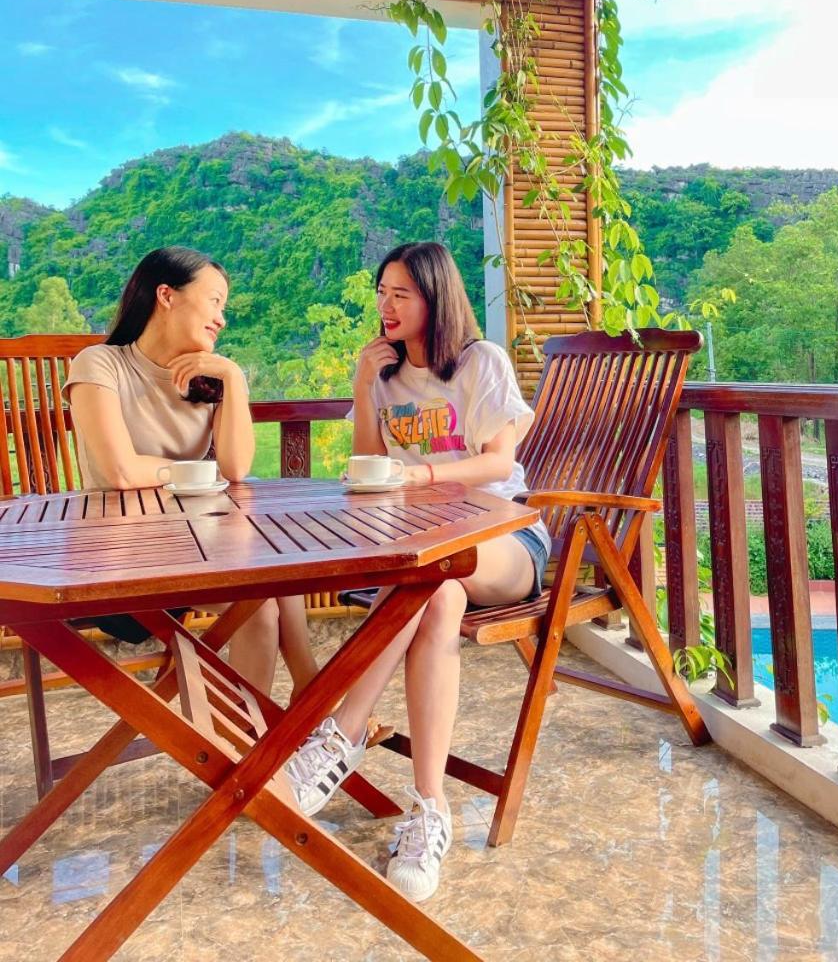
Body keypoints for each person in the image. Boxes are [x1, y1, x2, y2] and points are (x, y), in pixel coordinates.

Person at [285, 241, 550, 902]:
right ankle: (430, 809)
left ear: (435, 297)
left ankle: (343, 734)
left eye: (401, 293)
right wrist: (362, 386)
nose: (387, 305)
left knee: (431, 576)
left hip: (503, 537)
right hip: (426, 556)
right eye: (382, 292)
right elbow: (367, 466)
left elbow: (498, 462)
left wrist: (424, 474)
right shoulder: (387, 373)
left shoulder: (481, 361)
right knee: (436, 591)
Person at [64, 246, 318, 698]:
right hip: (118, 560)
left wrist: (234, 379)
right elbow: (121, 471)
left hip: (198, 547)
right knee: (265, 577)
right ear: (166, 295)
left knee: (267, 578)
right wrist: (197, 473)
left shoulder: (210, 381)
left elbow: (235, 468)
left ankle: (273, 722)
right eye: (215, 301)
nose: (222, 319)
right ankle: (311, 690)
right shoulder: (99, 365)